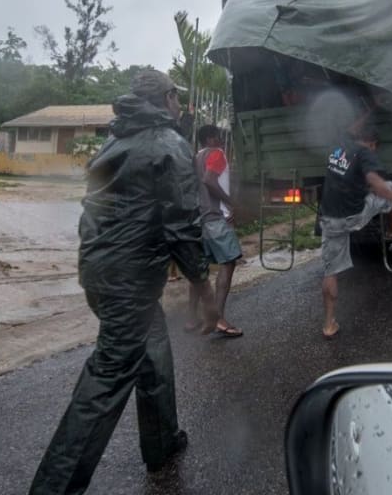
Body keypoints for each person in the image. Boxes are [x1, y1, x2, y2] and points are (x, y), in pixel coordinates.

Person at [30, 69, 219, 493]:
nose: (180, 104)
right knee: (108, 376)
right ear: (168, 98)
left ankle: (162, 443)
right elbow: (182, 226)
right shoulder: (169, 144)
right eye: (177, 97)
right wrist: (204, 289)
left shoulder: (116, 139)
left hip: (99, 266)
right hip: (129, 278)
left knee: (153, 352)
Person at [318, 113, 392, 339]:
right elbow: (377, 185)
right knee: (388, 186)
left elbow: (353, 124)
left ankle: (328, 325)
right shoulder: (365, 154)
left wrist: (374, 107)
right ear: (373, 144)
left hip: (329, 217)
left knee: (330, 271)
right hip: (354, 217)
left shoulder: (340, 144)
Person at [184, 124, 243, 338]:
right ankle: (218, 318)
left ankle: (191, 318)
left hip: (198, 220)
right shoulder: (216, 154)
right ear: (209, 139)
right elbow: (209, 180)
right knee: (228, 263)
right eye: (217, 137)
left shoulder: (196, 156)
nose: (220, 140)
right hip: (216, 219)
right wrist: (230, 202)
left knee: (200, 270)